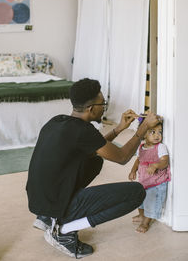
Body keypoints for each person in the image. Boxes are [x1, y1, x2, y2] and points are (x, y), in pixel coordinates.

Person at [26, 78, 160, 258]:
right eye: (102, 103)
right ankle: (63, 231)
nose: (104, 107)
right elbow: (122, 158)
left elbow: (95, 148)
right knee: (136, 192)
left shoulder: (58, 121)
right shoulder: (83, 131)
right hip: (55, 201)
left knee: (95, 161)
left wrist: (119, 128)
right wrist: (142, 129)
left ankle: (47, 217)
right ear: (91, 109)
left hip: (40, 200)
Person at [128, 117, 171, 233]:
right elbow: (138, 160)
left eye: (160, 132)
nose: (157, 135)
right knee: (140, 200)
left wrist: (155, 165)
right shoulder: (141, 147)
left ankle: (146, 222)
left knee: (151, 203)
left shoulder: (160, 147)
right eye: (153, 132)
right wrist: (133, 170)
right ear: (144, 134)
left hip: (156, 183)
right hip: (144, 181)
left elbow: (165, 161)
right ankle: (141, 215)